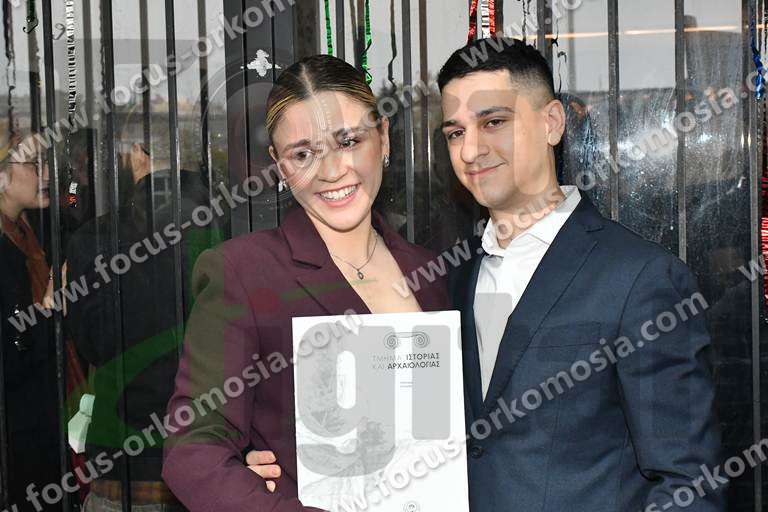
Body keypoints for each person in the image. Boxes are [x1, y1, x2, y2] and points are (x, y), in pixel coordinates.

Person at [437, 38, 723, 511]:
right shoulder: (453, 278)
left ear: (551, 123)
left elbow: (688, 483)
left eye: (493, 122)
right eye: (454, 133)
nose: (470, 150)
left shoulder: (640, 278)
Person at [161, 54, 450, 512]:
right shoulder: (243, 273)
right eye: (303, 154)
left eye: (348, 141)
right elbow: (193, 452)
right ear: (280, 166)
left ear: (383, 137)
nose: (331, 171)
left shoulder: (433, 272)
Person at [65, 142, 217, 511]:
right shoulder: (225, 225)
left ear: (136, 154)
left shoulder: (95, 238)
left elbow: (92, 344)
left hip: (123, 462)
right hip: (210, 456)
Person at [0, 133, 63, 511]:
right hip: (18, 429)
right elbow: (13, 348)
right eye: (34, 164)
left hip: (38, 420)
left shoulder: (28, 233)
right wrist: (48, 309)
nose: (48, 173)